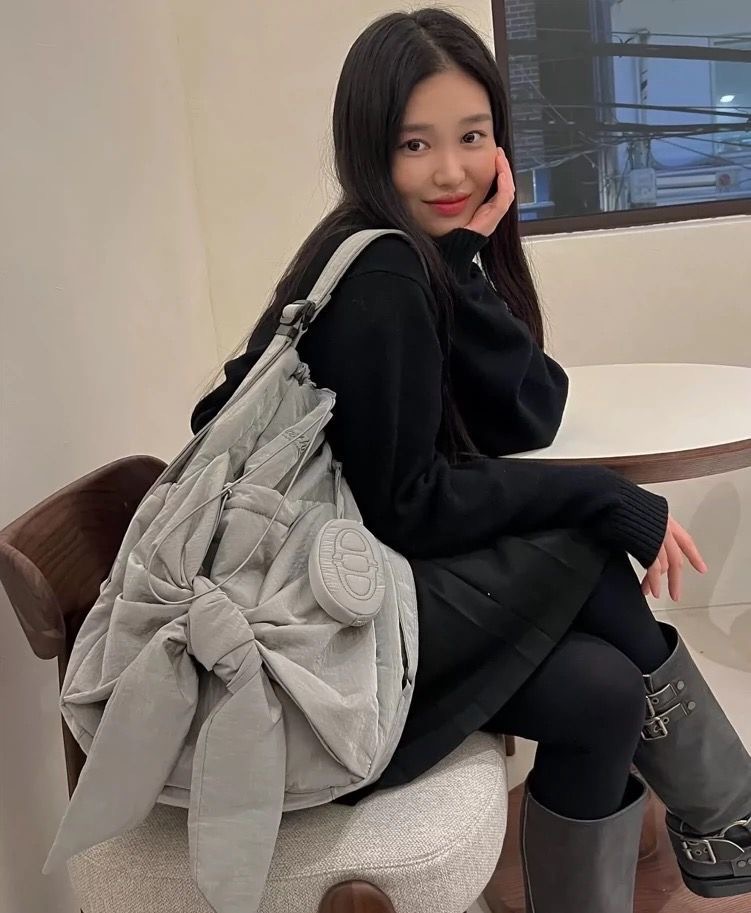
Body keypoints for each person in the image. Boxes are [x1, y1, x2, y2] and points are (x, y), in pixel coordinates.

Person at [190, 9, 751, 911]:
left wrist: (463, 261)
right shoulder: (379, 277)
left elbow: (531, 408)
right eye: (414, 144)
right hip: (318, 631)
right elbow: (408, 505)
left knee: (604, 689)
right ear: (369, 147)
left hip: (363, 587)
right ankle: (730, 816)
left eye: (472, 137)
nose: (451, 171)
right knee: (581, 540)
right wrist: (599, 501)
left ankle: (728, 817)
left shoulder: (412, 259)